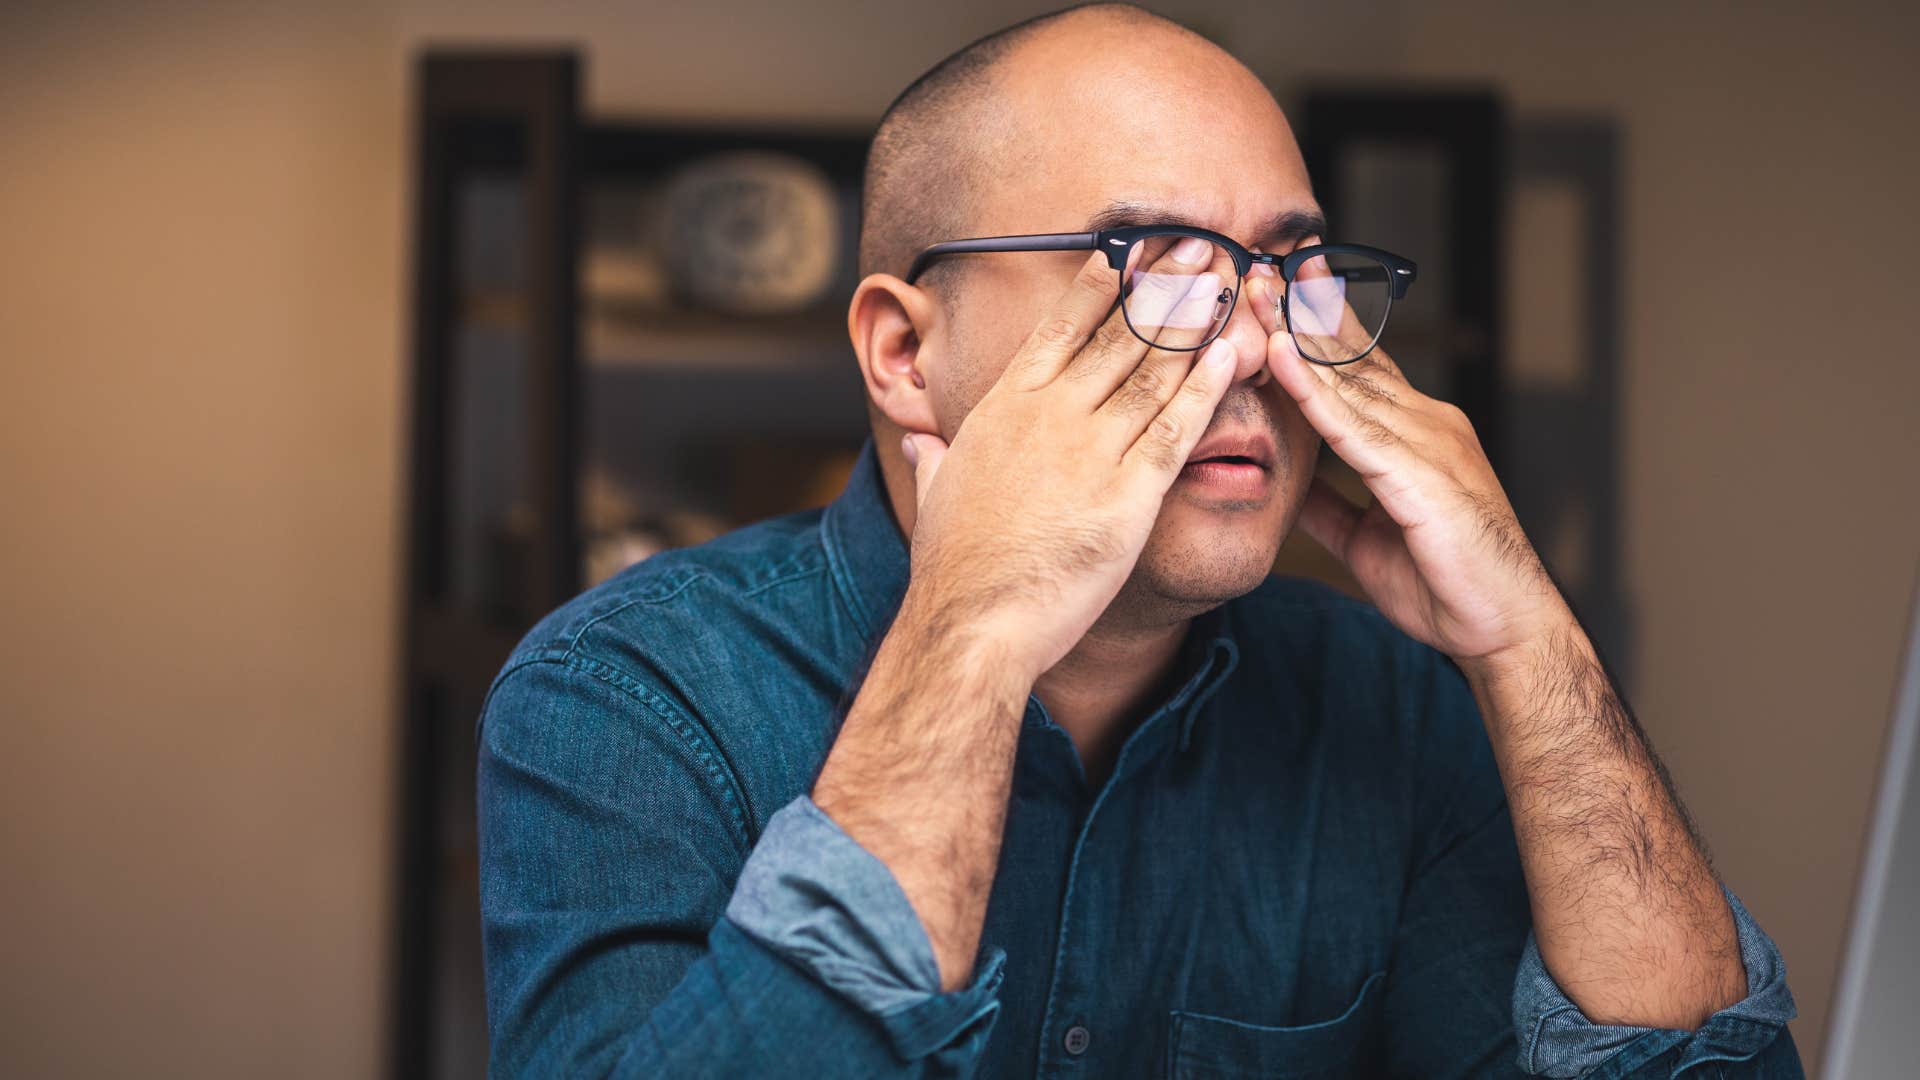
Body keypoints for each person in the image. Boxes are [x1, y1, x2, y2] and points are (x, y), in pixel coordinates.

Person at [475, 4, 1801, 1076]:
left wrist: (1527, 634)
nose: (1251, 351)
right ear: (903, 351)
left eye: (1290, 271)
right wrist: (977, 628)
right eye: (1155, 273)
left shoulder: (1391, 711)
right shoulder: (624, 694)